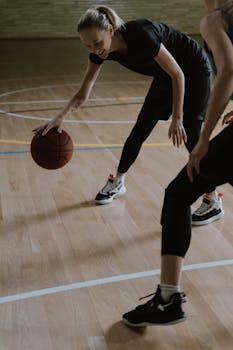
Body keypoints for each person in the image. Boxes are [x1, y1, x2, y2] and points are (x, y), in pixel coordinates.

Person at [33, 5, 221, 225]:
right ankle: (118, 181)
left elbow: (178, 74)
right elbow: (83, 92)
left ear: (111, 30)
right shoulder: (99, 52)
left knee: (191, 134)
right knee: (139, 130)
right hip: (165, 76)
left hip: (193, 69)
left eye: (97, 43)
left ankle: (213, 200)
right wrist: (61, 116)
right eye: (87, 45)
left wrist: (177, 118)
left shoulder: (141, 34)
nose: (94, 49)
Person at [122, 0, 233, 327]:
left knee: (177, 194)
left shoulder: (216, 19)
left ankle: (168, 301)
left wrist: (203, 139)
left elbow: (228, 70)